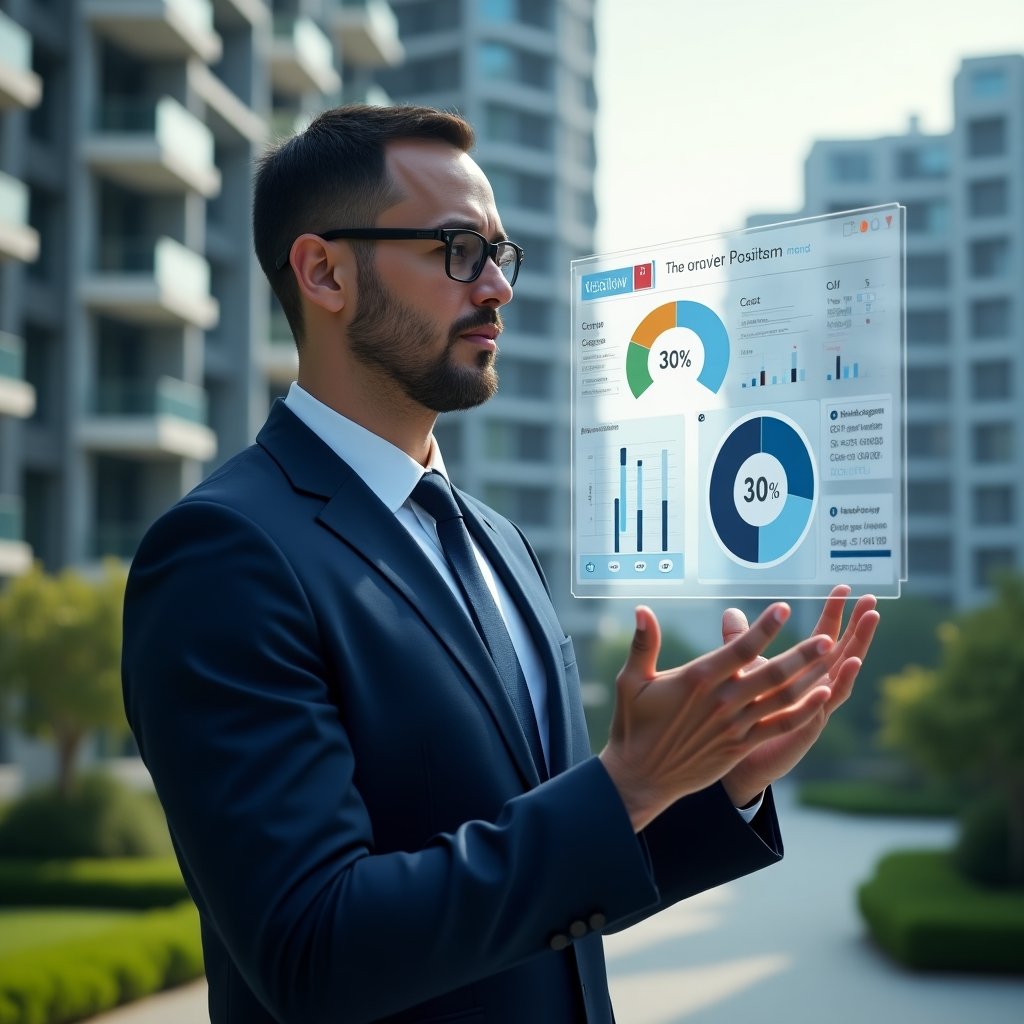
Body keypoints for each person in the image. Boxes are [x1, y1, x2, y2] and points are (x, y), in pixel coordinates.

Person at [121, 104, 880, 1024]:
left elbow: (553, 887)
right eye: (454, 249)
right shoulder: (224, 555)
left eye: (498, 253)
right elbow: (311, 950)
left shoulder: (497, 542)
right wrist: (626, 784)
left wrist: (716, 781)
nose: (496, 288)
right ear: (323, 272)